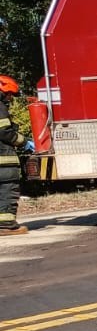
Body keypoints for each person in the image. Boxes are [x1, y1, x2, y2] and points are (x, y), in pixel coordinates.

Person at [1, 75, 27, 235]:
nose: (11, 98)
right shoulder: (0, 108)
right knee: (7, 190)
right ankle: (6, 225)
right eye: (10, 94)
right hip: (3, 162)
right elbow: (4, 132)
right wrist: (23, 141)